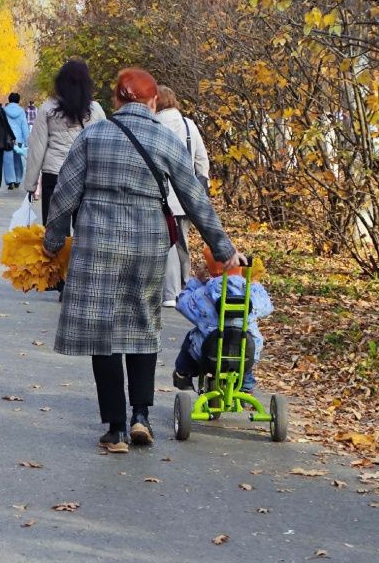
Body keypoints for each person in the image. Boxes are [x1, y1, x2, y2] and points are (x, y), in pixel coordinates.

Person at [41, 67, 244, 453]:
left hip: (97, 243)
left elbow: (65, 192)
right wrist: (222, 248)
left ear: (117, 99)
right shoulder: (166, 140)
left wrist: (53, 239)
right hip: (148, 246)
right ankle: (142, 417)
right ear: (152, 102)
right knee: (143, 324)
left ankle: (116, 429)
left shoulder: (92, 135)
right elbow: (195, 199)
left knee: (104, 334)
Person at [22, 60, 106, 225]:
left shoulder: (48, 109)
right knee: (84, 233)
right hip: (85, 176)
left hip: (54, 176)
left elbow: (37, 148)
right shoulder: (96, 110)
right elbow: (104, 147)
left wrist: (31, 184)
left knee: (54, 234)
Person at [155, 86, 211, 306]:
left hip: (161, 194)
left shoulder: (155, 126)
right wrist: (202, 181)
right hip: (185, 196)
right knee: (182, 243)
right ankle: (184, 284)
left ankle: (170, 290)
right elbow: (201, 159)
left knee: (165, 242)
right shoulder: (189, 125)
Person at [2, 92, 31, 190]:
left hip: (7, 138)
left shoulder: (4, 110)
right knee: (17, 160)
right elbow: (24, 126)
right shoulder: (21, 111)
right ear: (18, 100)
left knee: (7, 160)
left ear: (9, 100)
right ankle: (18, 179)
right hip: (18, 138)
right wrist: (27, 140)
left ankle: (10, 181)